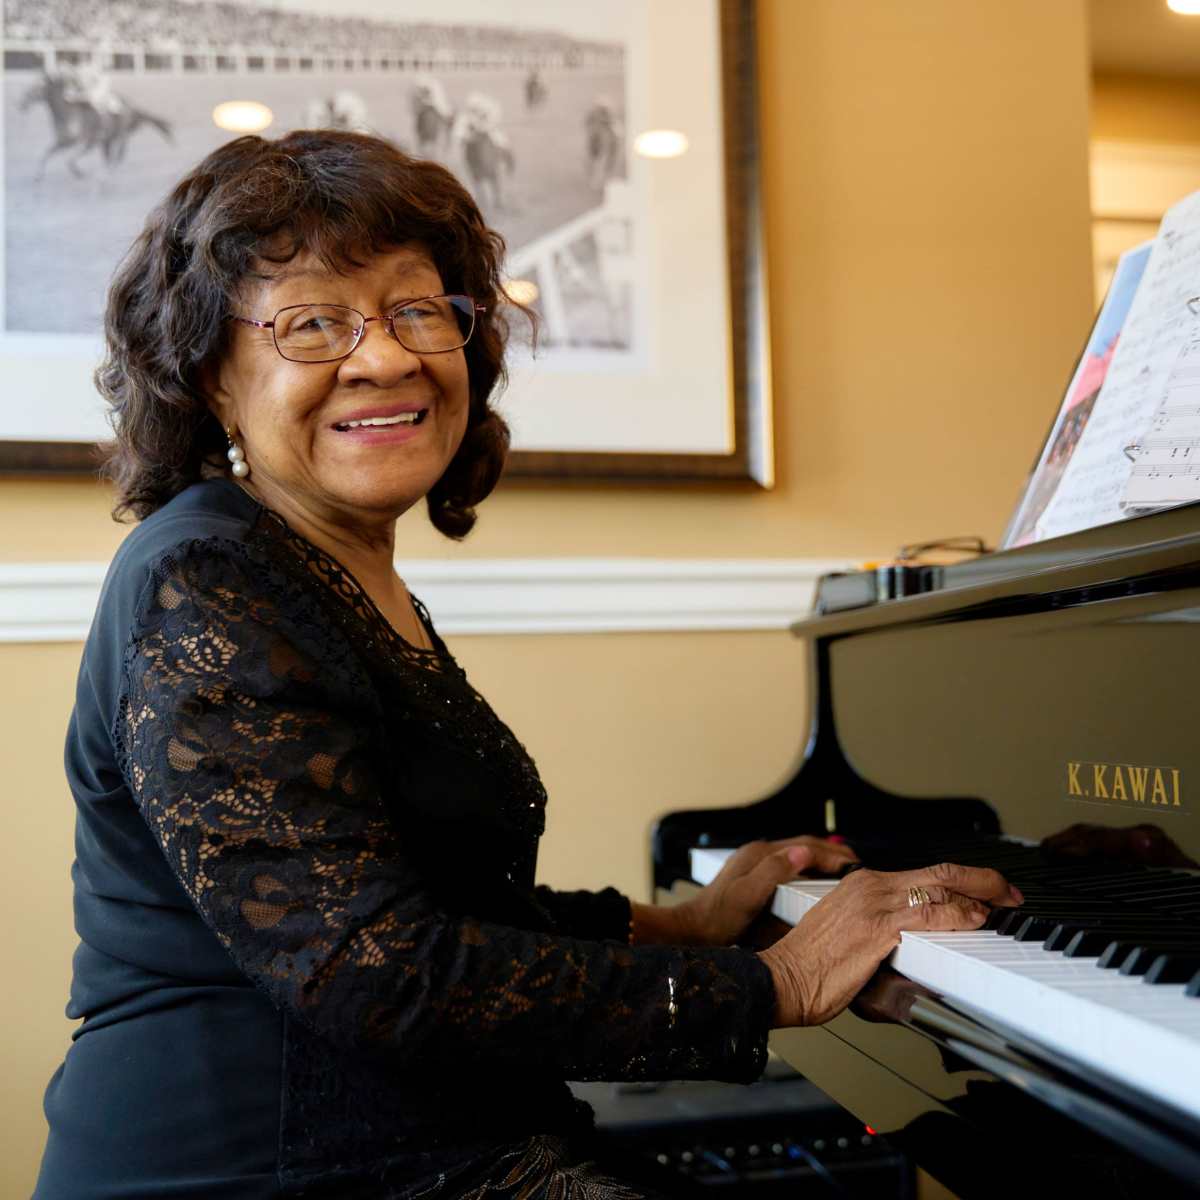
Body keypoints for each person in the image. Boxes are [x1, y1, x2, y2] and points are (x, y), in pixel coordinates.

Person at [33, 130, 1019, 1199]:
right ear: (212, 376)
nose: (385, 357)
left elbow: (441, 899)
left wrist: (682, 925)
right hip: (272, 1171)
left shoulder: (328, 571)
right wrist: (773, 980)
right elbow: (378, 973)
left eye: (418, 310)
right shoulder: (207, 581)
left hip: (426, 1144)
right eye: (312, 323)